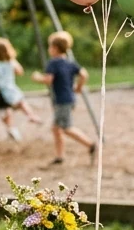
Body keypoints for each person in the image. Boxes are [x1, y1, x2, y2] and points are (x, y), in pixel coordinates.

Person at [32, 33, 95, 165]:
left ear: (55, 48)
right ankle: (59, 156)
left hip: (62, 100)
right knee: (56, 128)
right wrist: (78, 87)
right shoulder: (69, 62)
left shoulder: (53, 63)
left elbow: (49, 80)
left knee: (66, 128)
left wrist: (37, 77)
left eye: (50, 46)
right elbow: (83, 74)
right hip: (69, 98)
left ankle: (90, 144)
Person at [0, 37, 41, 142]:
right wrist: (13, 60)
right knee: (21, 103)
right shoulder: (10, 62)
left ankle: (11, 129)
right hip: (10, 90)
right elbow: (20, 71)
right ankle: (31, 115)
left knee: (4, 111)